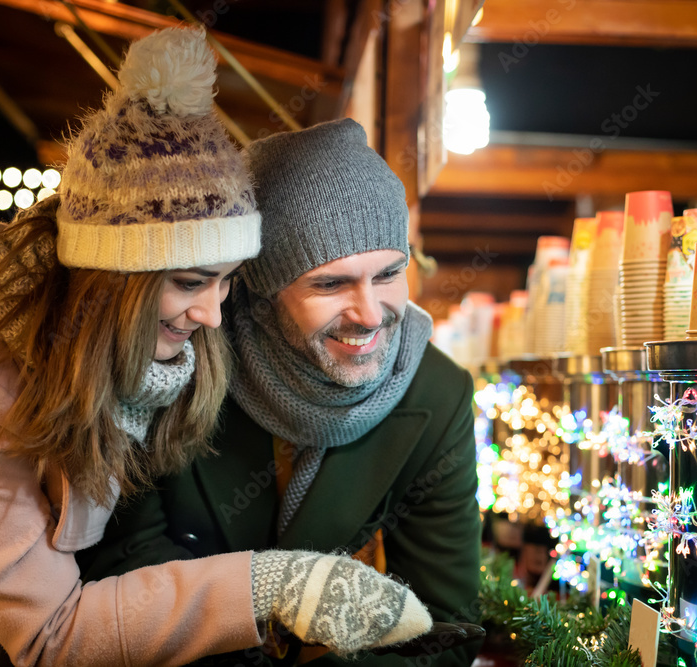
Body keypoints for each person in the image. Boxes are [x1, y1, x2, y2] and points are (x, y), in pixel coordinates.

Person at [0, 30, 431, 666]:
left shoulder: (118, 342)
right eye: (191, 283)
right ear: (113, 281)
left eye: (227, 281)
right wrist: (274, 586)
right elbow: (50, 634)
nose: (212, 313)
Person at [79, 118, 483, 667]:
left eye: (388, 274)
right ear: (263, 290)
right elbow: (123, 559)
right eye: (330, 283)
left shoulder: (439, 393)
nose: (370, 314)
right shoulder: (180, 356)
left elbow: (445, 628)